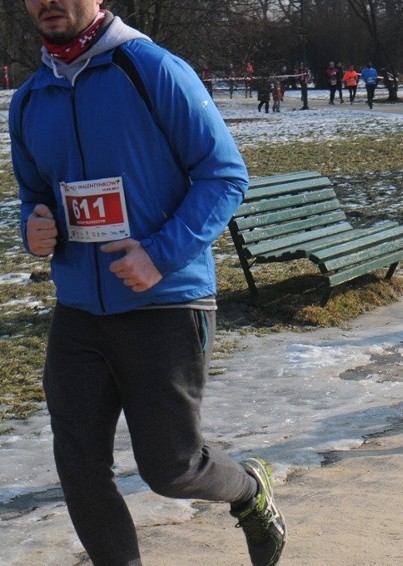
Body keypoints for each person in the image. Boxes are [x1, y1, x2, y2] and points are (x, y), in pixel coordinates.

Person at [9, 2, 286, 565]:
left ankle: (250, 489)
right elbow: (33, 192)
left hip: (164, 301)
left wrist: (159, 255)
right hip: (80, 311)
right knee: (80, 469)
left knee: (173, 468)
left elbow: (224, 174)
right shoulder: (31, 96)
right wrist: (33, 227)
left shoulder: (151, 69)